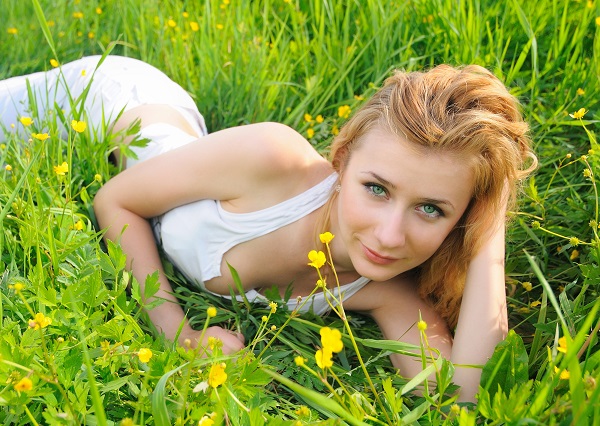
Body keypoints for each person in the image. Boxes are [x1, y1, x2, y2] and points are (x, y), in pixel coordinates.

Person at [0, 55, 536, 401]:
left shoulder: (386, 291)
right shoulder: (272, 159)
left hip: (188, 148)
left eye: (432, 209)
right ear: (343, 160)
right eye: (376, 188)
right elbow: (116, 200)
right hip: (109, 100)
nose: (391, 235)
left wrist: (488, 230)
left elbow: (464, 391)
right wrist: (177, 333)